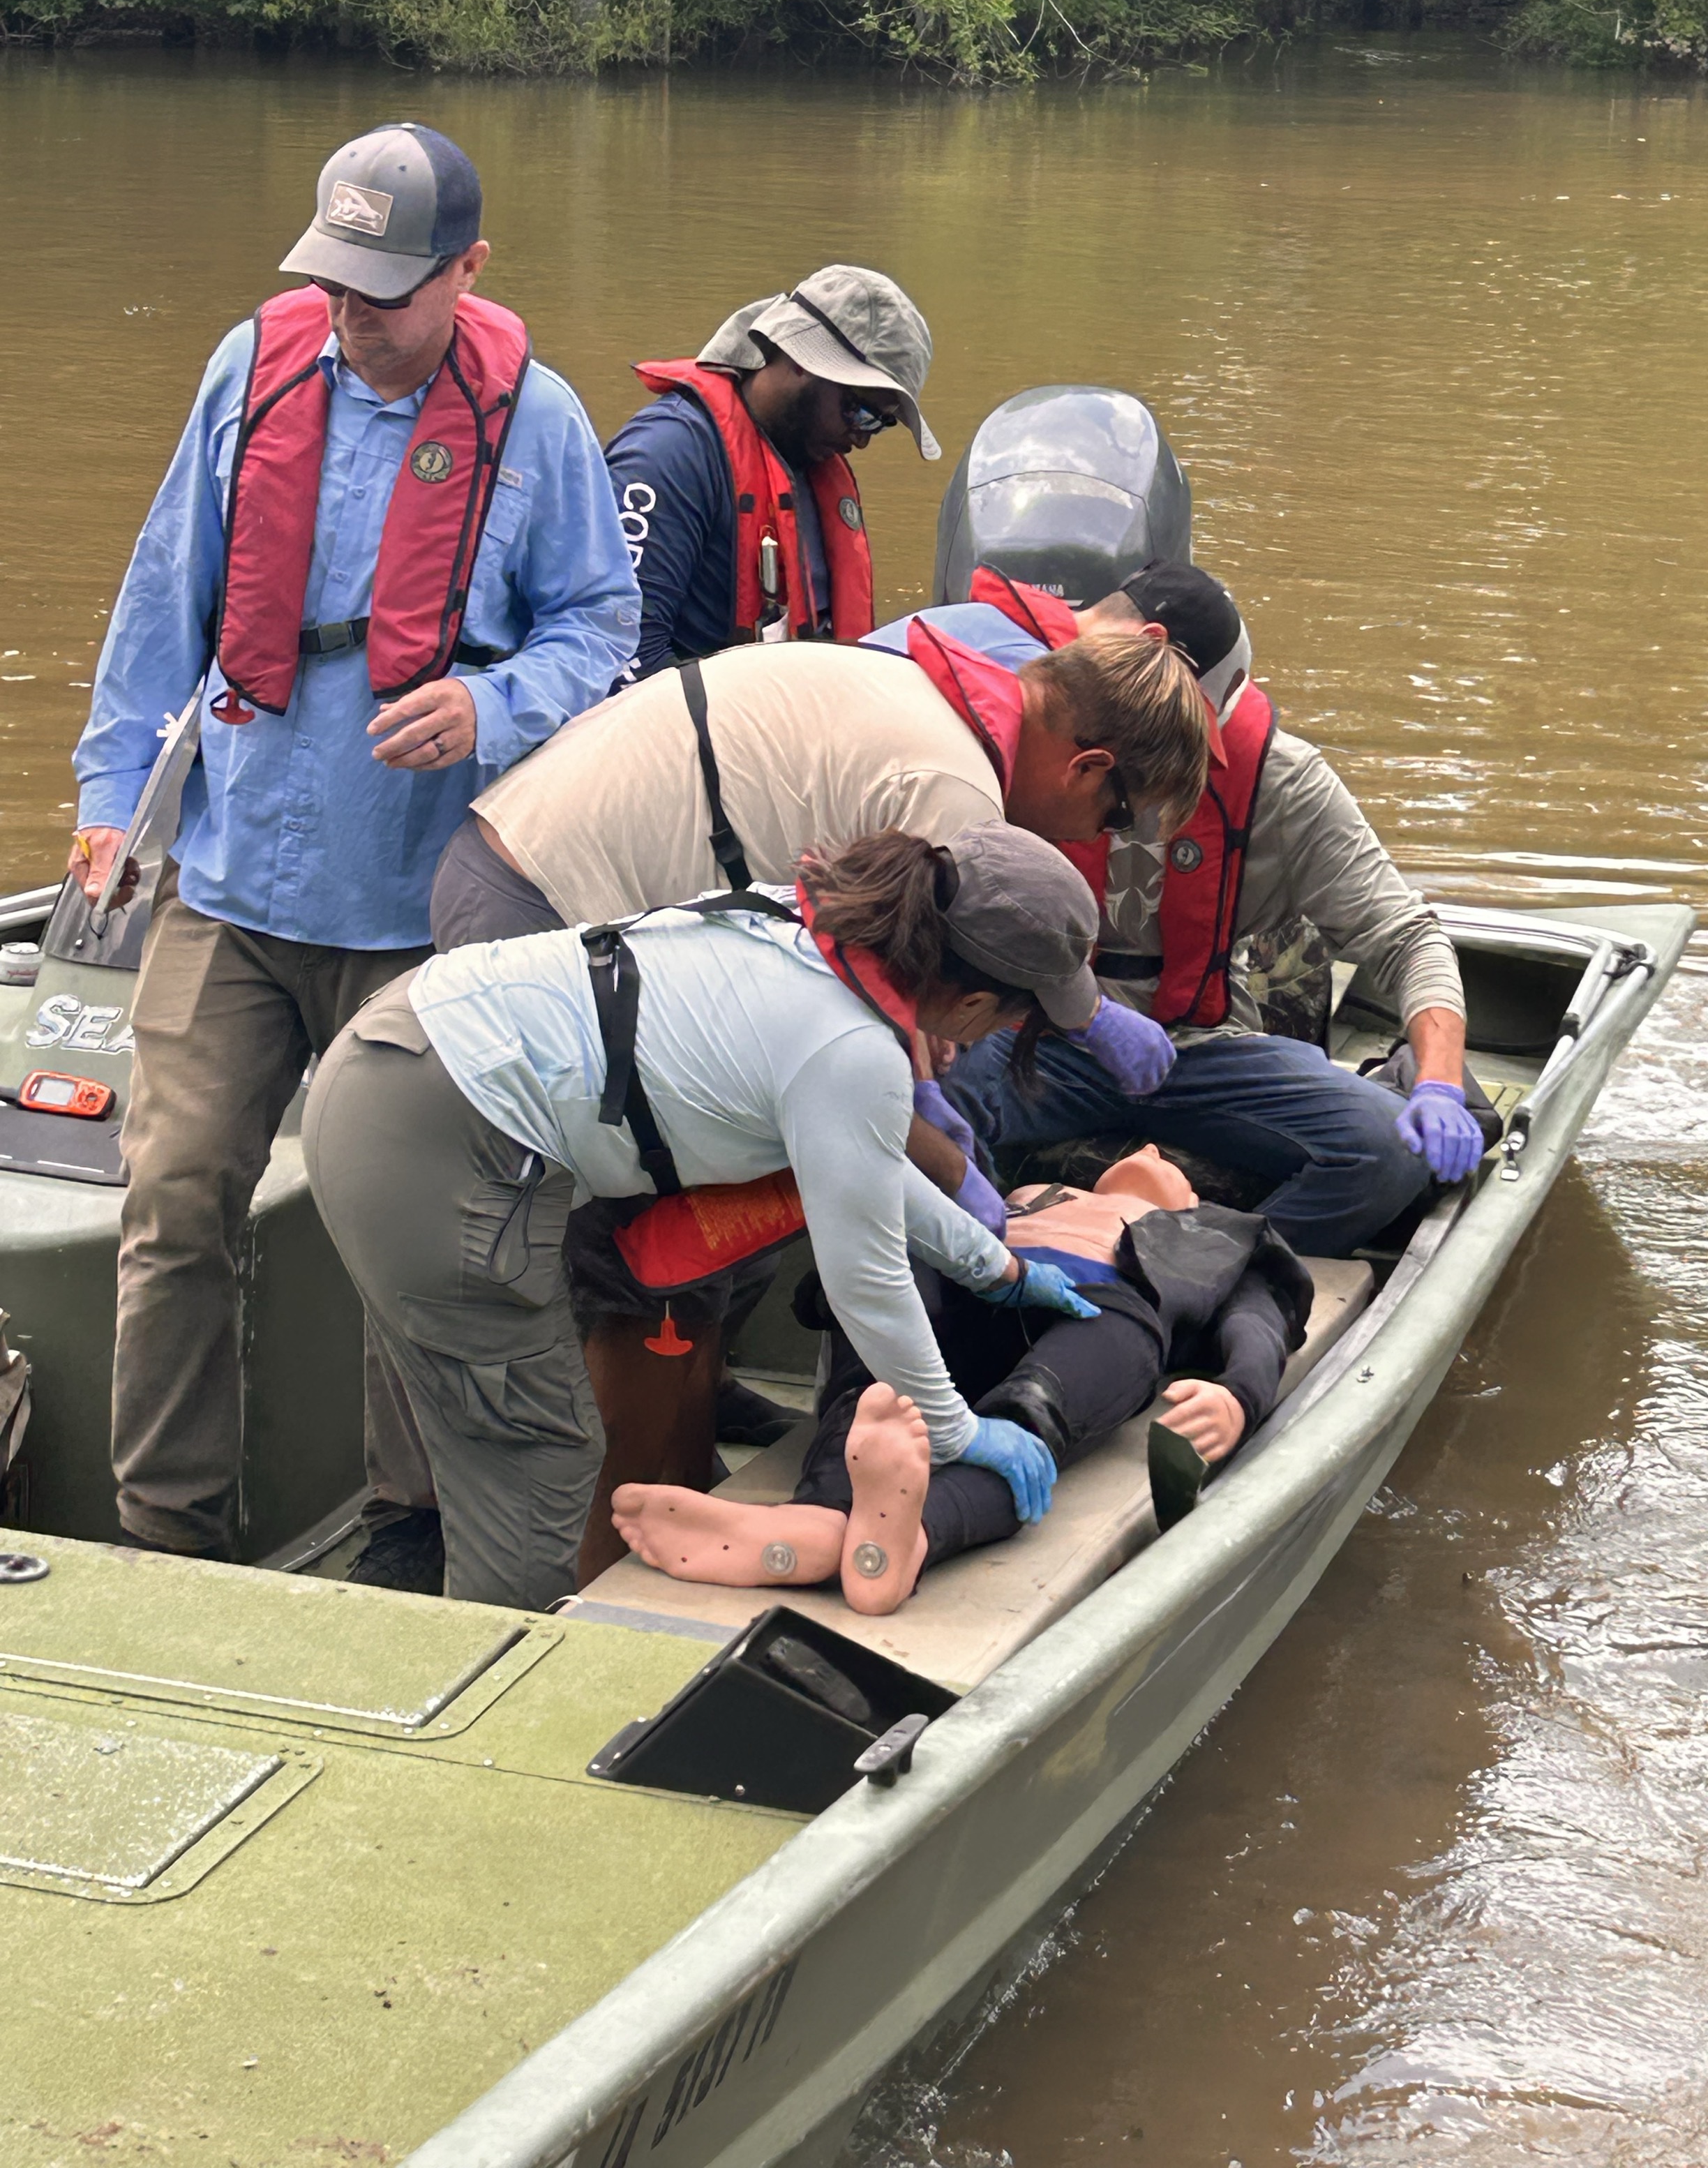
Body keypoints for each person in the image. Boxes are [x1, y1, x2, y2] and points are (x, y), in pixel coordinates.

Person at [68, 121, 640, 1574]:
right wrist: (111, 793)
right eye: (333, 280)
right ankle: (165, 1533)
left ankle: (406, 1529)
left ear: (468, 270)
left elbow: (600, 627)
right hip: (234, 882)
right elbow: (164, 593)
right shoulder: (251, 371)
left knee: (410, 1232)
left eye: (385, 289)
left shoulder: (539, 424)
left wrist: (494, 705)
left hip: (418, 910)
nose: (352, 313)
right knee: (172, 1199)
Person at [303, 825, 1120, 1608]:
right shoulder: (852, 1051)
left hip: (404, 1047)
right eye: (1017, 1018)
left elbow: (864, 1168)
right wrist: (956, 1431)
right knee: (535, 1456)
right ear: (973, 1001)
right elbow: (868, 1282)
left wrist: (996, 1268)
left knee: (502, 1442)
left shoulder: (796, 921)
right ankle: (505, 1683)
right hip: (443, 1129)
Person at [894, 560, 1483, 1255]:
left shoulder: (1285, 782)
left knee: (1386, 1153)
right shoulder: (1024, 736)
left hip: (1195, 1047)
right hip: (1034, 1036)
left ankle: (1219, 1270)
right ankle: (992, 1265)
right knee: (915, 1119)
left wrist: (1440, 1084)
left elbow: (1407, 936)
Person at [610, 1144, 1312, 1616]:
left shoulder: (1218, 1233)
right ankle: (824, 1517)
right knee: (884, 1359)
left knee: (1034, 1416)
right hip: (962, 1291)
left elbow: (1260, 1320)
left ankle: (913, 1534)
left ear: (1195, 1197)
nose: (1151, 1151)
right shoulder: (1019, 1195)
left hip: (1097, 1311)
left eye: (1171, 1161)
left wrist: (1239, 1394)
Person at [604, 266, 936, 678]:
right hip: (699, 713)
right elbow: (619, 654)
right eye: (860, 411)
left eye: (880, 423)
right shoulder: (668, 456)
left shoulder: (809, 457)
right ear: (802, 360)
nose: (863, 439)